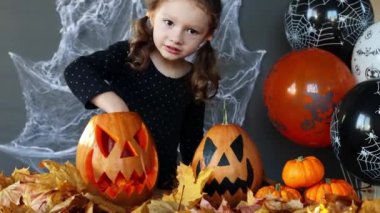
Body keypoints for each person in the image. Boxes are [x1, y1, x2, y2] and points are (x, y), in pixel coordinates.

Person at [64, 0, 222, 189]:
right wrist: (115, 105)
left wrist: (198, 188)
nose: (176, 37)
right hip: (112, 177)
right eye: (169, 23)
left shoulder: (195, 80)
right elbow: (76, 70)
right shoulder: (129, 55)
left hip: (162, 186)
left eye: (192, 31)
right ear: (152, 15)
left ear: (207, 36)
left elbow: (191, 142)